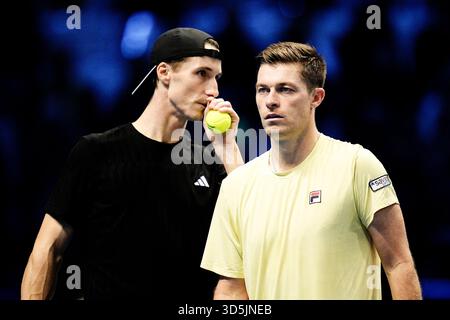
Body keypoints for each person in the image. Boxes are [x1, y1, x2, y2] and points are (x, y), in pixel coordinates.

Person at [21, 27, 244, 300]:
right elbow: (47, 250)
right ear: (164, 73)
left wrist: (228, 148)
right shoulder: (96, 151)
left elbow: (252, 235)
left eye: (217, 78)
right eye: (201, 74)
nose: (213, 90)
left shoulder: (210, 164)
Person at [201, 42, 422, 300]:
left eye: (285, 90)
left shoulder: (357, 165)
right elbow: (232, 289)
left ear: (316, 97)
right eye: (263, 90)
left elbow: (398, 265)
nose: (271, 101)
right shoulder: (236, 185)